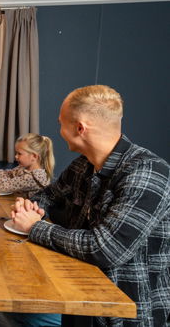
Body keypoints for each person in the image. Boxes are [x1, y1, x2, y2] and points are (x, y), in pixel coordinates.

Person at [11, 85, 169, 326]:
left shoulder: (147, 173)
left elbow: (107, 249)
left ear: (79, 128)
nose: (59, 131)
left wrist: (35, 227)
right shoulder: (82, 166)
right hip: (77, 293)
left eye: (61, 124)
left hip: (123, 313)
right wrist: (33, 207)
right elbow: (49, 195)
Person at [0, 133, 55, 197]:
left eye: (19, 154)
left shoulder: (33, 177)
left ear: (34, 156)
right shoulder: (23, 168)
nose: (16, 156)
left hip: (29, 215)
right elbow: (8, 174)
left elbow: (4, 186)